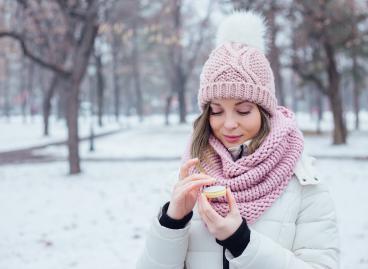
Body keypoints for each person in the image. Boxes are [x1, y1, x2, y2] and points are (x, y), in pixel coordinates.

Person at [136, 11, 339, 269]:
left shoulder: (304, 184)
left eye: (243, 110)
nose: (229, 123)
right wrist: (173, 222)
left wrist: (241, 241)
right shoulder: (187, 179)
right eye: (217, 111)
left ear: (265, 112)